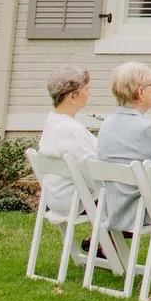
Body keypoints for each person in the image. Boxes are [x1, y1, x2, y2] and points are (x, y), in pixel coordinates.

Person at [95, 61, 151, 232]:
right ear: (141, 92)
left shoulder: (107, 124)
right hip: (142, 209)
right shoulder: (147, 129)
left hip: (114, 207)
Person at [36, 64, 98, 221]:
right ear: (73, 96)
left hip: (58, 199)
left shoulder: (52, 122)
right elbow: (94, 171)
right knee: (146, 203)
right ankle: (107, 241)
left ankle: (104, 241)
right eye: (87, 90)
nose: (89, 93)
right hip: (79, 201)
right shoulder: (70, 129)